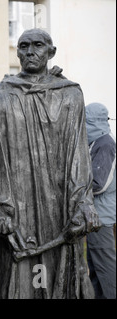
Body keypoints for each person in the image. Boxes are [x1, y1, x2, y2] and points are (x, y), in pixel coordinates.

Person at [0, 28, 101, 299]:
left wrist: (83, 205)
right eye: (24, 46)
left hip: (59, 207)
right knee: (18, 280)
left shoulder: (71, 95)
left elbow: (78, 154)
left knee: (57, 279)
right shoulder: (1, 97)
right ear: (16, 52)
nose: (30, 52)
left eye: (38, 46)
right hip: (17, 208)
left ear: (50, 52)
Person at [85, 102, 116, 299]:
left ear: (92, 122)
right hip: (95, 218)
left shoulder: (105, 144)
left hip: (101, 218)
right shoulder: (97, 143)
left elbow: (99, 183)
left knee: (106, 270)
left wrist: (74, 188)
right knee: (96, 270)